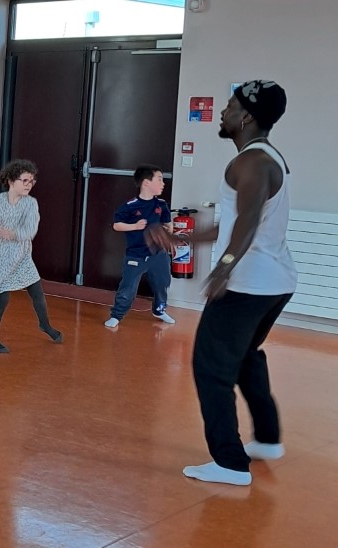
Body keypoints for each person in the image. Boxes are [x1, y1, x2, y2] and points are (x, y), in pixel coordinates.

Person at [183, 80, 295, 487]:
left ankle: (229, 463)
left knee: (211, 368)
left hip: (248, 285)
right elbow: (236, 222)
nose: (223, 111)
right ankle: (267, 439)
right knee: (246, 355)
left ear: (246, 116)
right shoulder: (266, 157)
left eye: (230, 105)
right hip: (274, 282)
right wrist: (183, 238)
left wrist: (224, 268)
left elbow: (246, 223)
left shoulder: (251, 162)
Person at [0, 159, 62, 353]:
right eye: (24, 180)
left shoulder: (31, 204)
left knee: (37, 292)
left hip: (22, 256)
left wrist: (13, 234)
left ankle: (45, 325)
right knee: (3, 298)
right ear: (11, 181)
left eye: (31, 181)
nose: (28, 185)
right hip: (0, 257)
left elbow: (31, 230)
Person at [104, 164, 175, 328]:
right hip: (136, 255)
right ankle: (117, 315)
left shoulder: (161, 204)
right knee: (128, 287)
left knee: (163, 283)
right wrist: (134, 226)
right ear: (146, 183)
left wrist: (167, 232)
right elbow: (117, 225)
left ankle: (159, 310)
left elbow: (168, 224)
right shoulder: (130, 205)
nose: (163, 183)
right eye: (159, 179)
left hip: (158, 255)